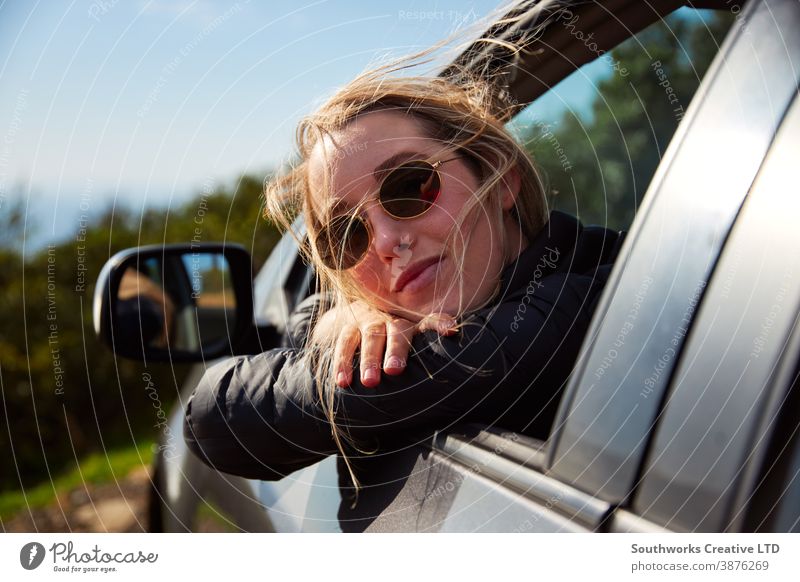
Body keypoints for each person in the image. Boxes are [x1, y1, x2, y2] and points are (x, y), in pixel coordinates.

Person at [182, 61, 623, 494]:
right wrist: (332, 325)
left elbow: (212, 420)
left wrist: (329, 351)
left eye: (410, 185)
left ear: (498, 175)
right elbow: (212, 415)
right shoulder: (364, 318)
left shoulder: (619, 296)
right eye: (347, 235)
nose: (388, 241)